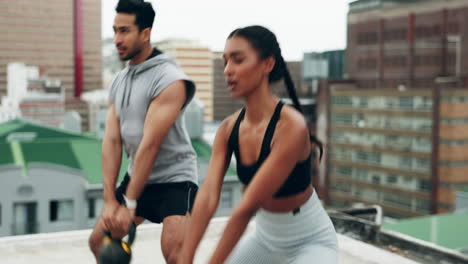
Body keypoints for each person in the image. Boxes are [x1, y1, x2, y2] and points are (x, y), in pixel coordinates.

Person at [179, 25, 338, 264]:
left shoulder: (291, 127)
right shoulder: (227, 129)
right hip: (265, 238)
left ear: (267, 64)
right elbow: (208, 197)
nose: (228, 70)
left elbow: (246, 208)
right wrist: (185, 257)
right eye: (225, 62)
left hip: (310, 241)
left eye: (238, 60)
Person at [88, 1, 198, 263]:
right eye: (115, 31)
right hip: (137, 177)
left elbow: (150, 144)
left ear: (145, 34)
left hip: (175, 180)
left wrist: (131, 204)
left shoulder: (170, 79)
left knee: (175, 254)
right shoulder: (119, 80)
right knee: (99, 243)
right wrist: (110, 202)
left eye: (124, 31)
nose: (117, 39)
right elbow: (112, 141)